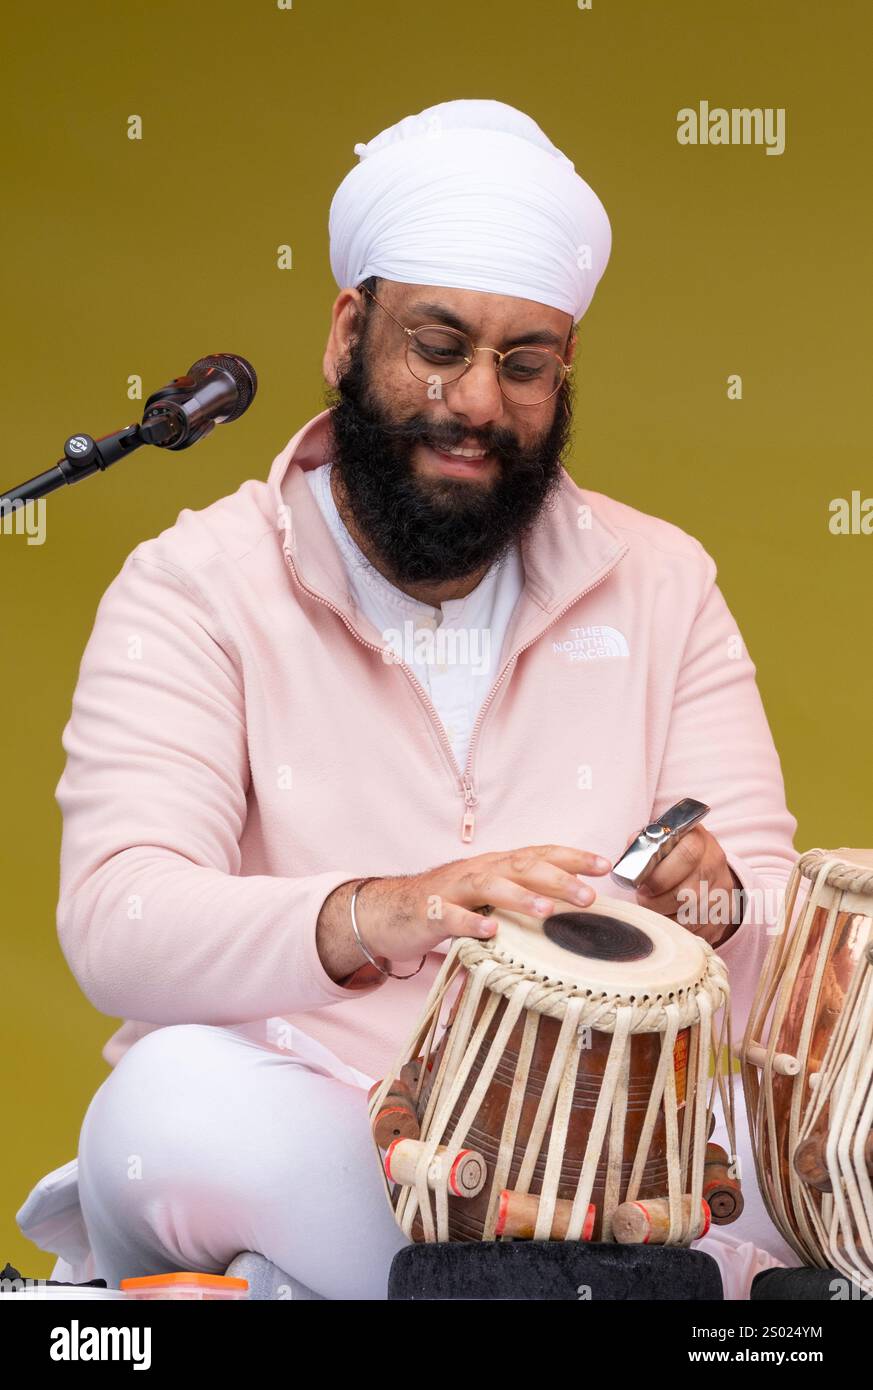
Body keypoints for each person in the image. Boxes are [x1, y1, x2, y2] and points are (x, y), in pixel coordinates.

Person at [16, 98, 800, 1300]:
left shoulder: (663, 582)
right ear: (348, 335)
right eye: (439, 347)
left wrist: (716, 895)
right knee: (172, 1105)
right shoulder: (196, 585)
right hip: (327, 1129)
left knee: (823, 1103)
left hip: (613, 1145)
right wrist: (379, 913)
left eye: (523, 364)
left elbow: (766, 900)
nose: (479, 402)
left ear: (564, 369)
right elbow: (122, 919)